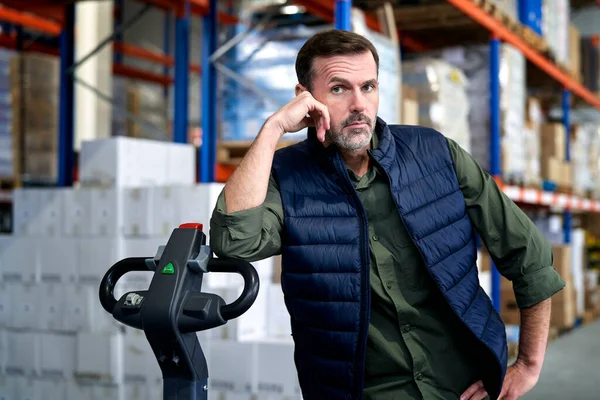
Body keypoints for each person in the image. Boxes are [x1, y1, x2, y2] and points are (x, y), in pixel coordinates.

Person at [209, 29, 565, 400]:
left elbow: (529, 256)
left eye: (368, 87)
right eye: (338, 89)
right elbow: (234, 242)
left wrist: (527, 365)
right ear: (305, 98)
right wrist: (273, 129)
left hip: (463, 386)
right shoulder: (286, 174)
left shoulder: (436, 154)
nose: (359, 104)